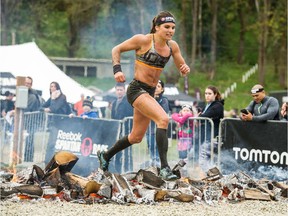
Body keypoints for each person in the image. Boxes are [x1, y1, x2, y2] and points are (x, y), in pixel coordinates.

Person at [97, 11, 190, 180]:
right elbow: (116, 49)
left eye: (173, 28)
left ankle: (106, 155)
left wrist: (184, 69)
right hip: (136, 89)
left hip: (149, 93)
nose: (170, 30)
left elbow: (181, 64)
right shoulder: (144, 40)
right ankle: (165, 168)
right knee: (163, 119)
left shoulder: (172, 46)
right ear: (157, 27)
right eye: (167, 27)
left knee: (136, 137)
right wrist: (117, 69)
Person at [111, 82, 134, 173]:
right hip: (117, 131)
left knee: (127, 152)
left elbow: (130, 116)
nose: (119, 91)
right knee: (117, 151)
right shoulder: (114, 103)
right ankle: (118, 170)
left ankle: (129, 170)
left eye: (121, 90)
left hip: (126, 131)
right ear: (115, 90)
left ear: (124, 91)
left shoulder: (128, 102)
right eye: (118, 90)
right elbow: (113, 117)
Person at [146, 80, 169, 166]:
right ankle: (153, 168)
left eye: (158, 86)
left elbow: (163, 112)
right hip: (149, 130)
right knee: (151, 151)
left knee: (158, 152)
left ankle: (160, 167)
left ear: (162, 89)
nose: (156, 88)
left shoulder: (164, 100)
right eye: (155, 86)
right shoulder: (148, 98)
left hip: (159, 130)